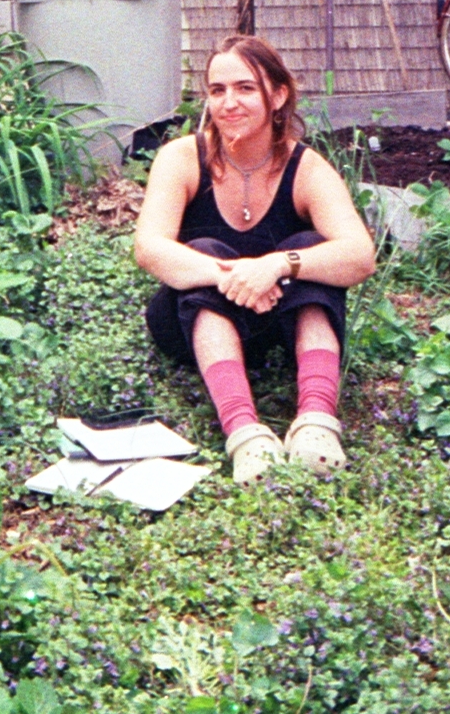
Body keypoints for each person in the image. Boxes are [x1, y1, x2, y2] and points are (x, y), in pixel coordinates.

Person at [133, 34, 377, 483]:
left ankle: (317, 423)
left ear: (277, 95)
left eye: (245, 88)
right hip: (192, 325)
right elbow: (149, 247)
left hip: (277, 324)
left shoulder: (305, 167)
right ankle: (245, 433)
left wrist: (279, 265)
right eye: (217, 90)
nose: (229, 103)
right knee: (204, 251)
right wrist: (235, 275)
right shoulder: (181, 158)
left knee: (310, 250)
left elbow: (360, 255)